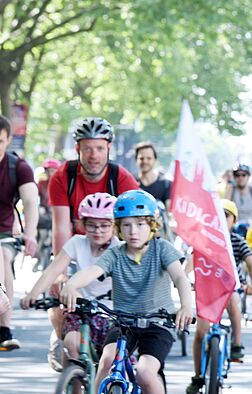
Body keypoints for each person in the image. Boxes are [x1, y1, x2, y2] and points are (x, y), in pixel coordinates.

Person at [60, 190, 193, 394]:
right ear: (118, 228)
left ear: (151, 225)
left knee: (144, 372)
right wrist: (72, 283)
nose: (134, 231)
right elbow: (91, 272)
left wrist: (186, 305)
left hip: (158, 323)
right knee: (106, 361)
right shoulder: (115, 254)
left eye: (141, 224)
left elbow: (180, 278)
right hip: (123, 322)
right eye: (127, 225)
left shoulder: (162, 249)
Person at [21, 193, 122, 372]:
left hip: (112, 313)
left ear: (114, 226)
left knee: (111, 360)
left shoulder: (120, 249)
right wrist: (32, 295)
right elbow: (52, 271)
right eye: (91, 225)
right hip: (81, 309)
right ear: (82, 224)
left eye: (104, 226)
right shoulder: (77, 243)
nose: (97, 230)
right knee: (71, 345)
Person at [186, 200, 252, 394]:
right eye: (215, 216)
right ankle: (198, 376)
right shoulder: (204, 240)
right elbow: (191, 261)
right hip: (208, 289)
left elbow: (251, 264)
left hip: (231, 287)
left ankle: (237, 343)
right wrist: (184, 278)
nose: (219, 220)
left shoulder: (237, 241)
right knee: (201, 332)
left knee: (234, 303)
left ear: (233, 220)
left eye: (225, 216)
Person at [48, 117, 139, 254]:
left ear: (109, 148)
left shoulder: (122, 178)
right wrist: (61, 272)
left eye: (100, 148)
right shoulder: (62, 177)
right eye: (87, 149)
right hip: (76, 250)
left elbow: (135, 227)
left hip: (115, 250)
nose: (94, 156)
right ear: (78, 149)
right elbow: (61, 228)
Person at [0, 114, 39, 351]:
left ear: (8, 141)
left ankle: (4, 328)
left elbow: (31, 202)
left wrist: (31, 233)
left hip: (4, 233)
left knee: (1, 256)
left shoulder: (19, 168)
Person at [134, 141, 172, 213]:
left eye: (149, 158)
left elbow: (169, 212)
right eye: (141, 158)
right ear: (136, 160)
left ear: (155, 159)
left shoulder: (166, 184)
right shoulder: (131, 182)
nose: (145, 161)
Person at [225, 163, 252, 235]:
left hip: (250, 225)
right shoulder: (232, 189)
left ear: (248, 177)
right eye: (237, 175)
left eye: (243, 175)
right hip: (234, 227)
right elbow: (226, 207)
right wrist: (229, 188)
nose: (240, 178)